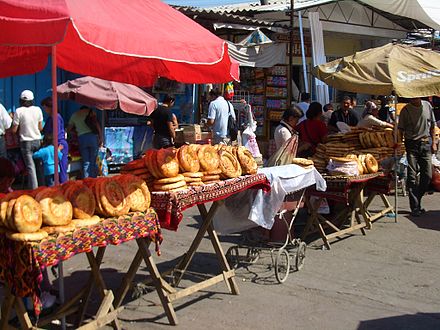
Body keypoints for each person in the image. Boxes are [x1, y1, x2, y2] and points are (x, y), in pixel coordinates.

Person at [398, 97, 437, 217]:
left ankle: (417, 200)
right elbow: (400, 129)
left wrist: (434, 142)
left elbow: (432, 126)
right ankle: (415, 206)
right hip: (412, 144)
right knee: (412, 176)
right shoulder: (406, 110)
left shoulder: (427, 106)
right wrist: (399, 144)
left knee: (427, 175)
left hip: (425, 143)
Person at [11, 90, 43, 189]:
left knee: (30, 167)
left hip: (26, 142)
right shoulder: (38, 109)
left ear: (21, 100)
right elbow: (40, 127)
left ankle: (34, 189)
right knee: (39, 165)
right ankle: (42, 186)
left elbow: (14, 130)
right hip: (37, 141)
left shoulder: (18, 111)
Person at [67, 106, 102, 178]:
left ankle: (87, 180)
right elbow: (97, 125)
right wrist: (101, 137)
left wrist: (76, 131)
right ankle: (94, 180)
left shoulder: (74, 115)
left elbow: (68, 129)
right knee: (93, 160)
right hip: (92, 137)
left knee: (86, 161)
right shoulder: (91, 112)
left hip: (82, 138)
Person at [41, 97, 69, 183]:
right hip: (55, 144)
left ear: (49, 107)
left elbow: (55, 133)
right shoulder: (51, 117)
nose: (44, 110)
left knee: (61, 168)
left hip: (59, 144)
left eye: (45, 107)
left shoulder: (56, 117)